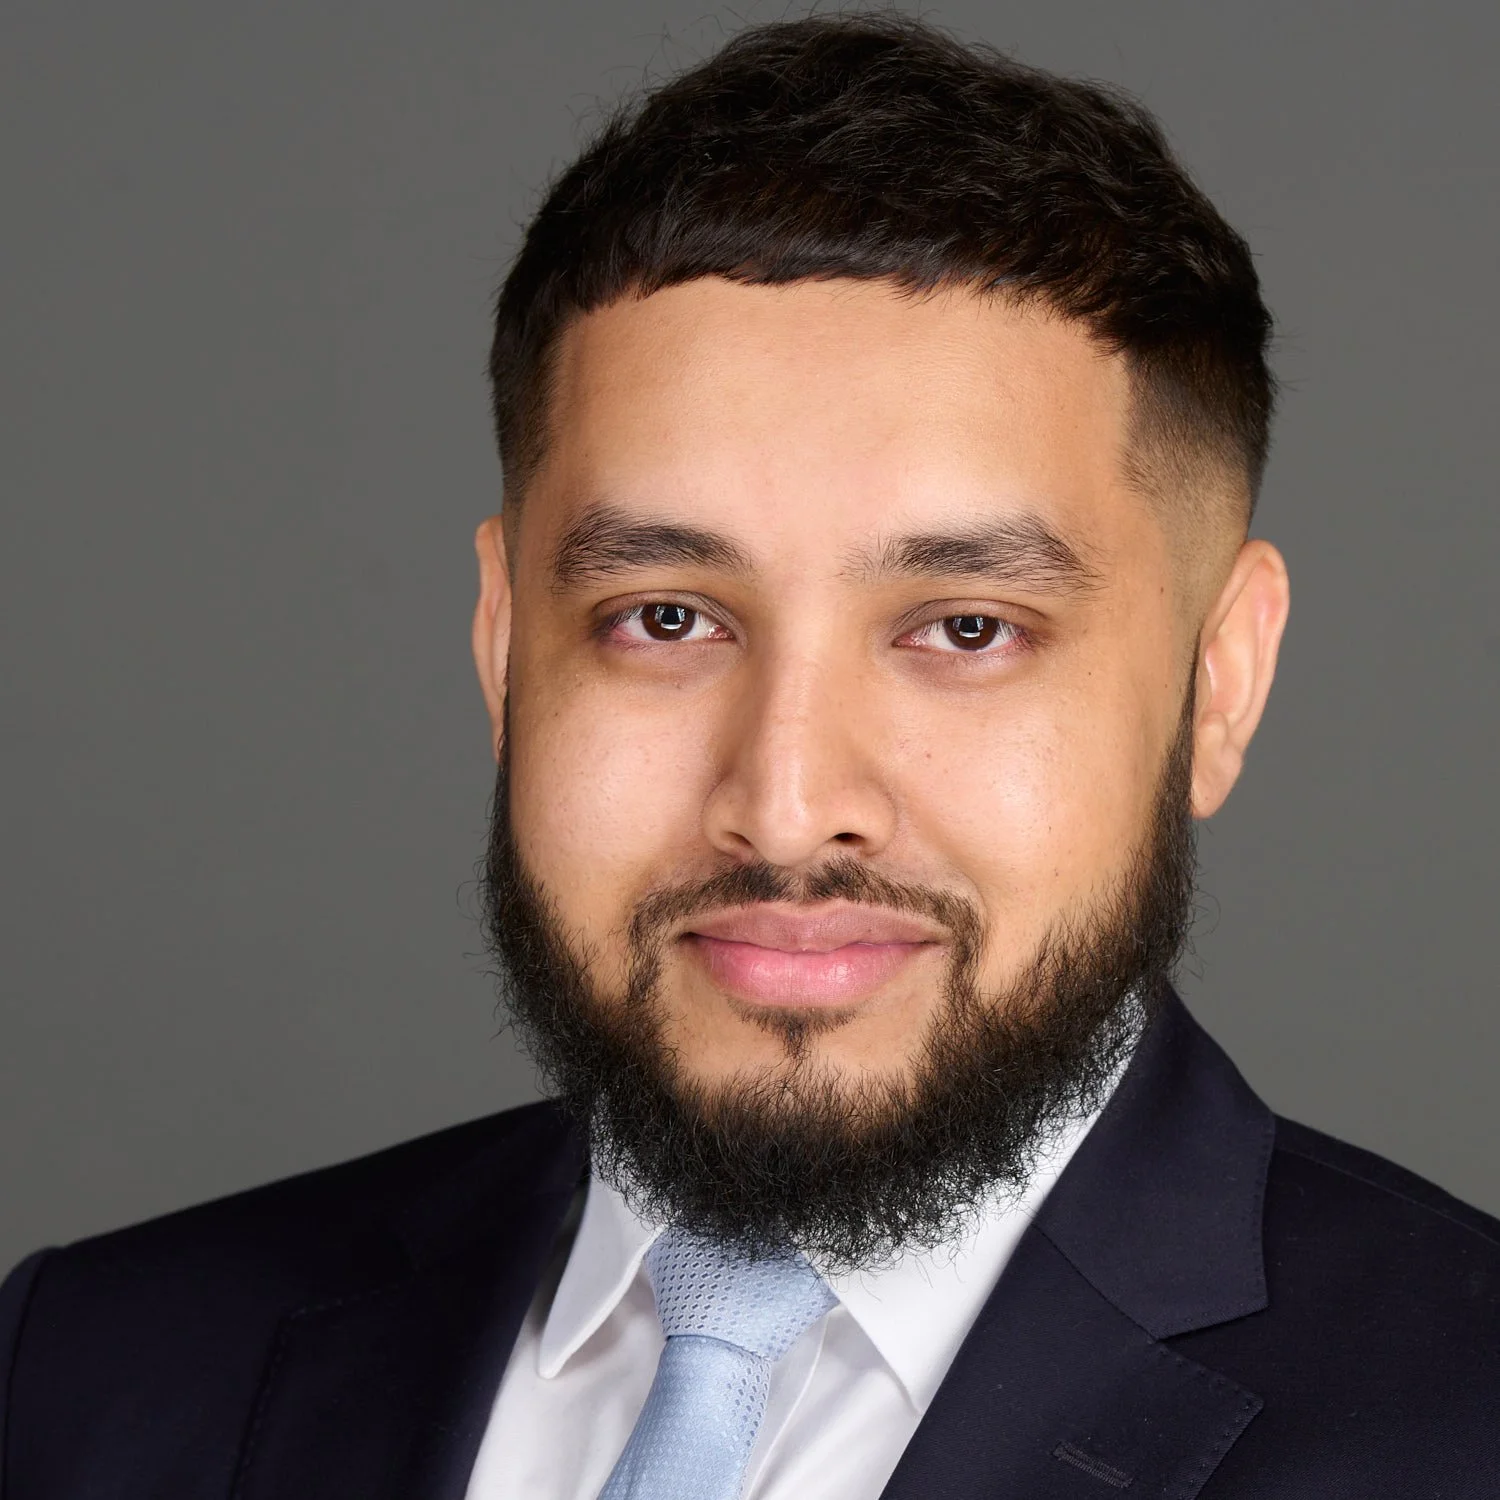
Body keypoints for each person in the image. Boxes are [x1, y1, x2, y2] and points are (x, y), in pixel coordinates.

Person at [3, 14, 1497, 1498]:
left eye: (966, 628)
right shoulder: (84, 1378)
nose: (787, 805)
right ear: (504, 647)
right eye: (666, 617)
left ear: (1219, 681)